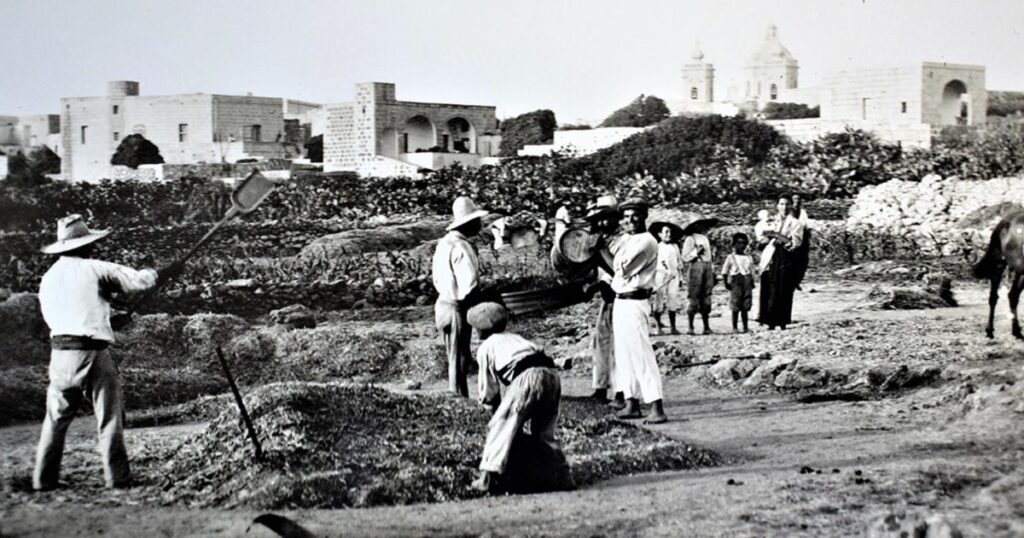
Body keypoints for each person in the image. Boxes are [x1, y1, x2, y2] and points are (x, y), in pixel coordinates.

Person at [33, 214, 182, 491]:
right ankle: (117, 478)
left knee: (55, 419)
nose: (94, 247)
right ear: (84, 246)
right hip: (91, 354)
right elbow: (138, 281)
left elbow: (69, 315)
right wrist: (165, 272)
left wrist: (110, 320)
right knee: (109, 418)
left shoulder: (49, 278)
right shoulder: (95, 268)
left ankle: (43, 479)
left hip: (59, 356)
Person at [468, 302, 562, 493]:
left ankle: (487, 479)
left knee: (500, 426)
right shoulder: (516, 338)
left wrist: (494, 411)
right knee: (544, 431)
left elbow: (489, 390)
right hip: (551, 375)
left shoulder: (486, 347)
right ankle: (560, 476)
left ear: (481, 329)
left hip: (528, 377)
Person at [608, 199, 667, 424]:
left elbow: (622, 270)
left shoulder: (648, 242)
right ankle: (631, 402)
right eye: (625, 216)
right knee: (624, 354)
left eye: (635, 215)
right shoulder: (625, 239)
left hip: (635, 302)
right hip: (621, 301)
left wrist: (598, 251)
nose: (629, 220)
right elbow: (612, 269)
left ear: (644, 217)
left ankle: (657, 406)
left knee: (641, 354)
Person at [432, 196, 488, 397]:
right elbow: (469, 285)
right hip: (456, 307)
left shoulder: (443, 243)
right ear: (468, 223)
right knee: (460, 358)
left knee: (454, 355)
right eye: (476, 221)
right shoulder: (462, 247)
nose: (480, 225)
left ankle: (458, 394)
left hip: (443, 304)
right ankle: (458, 397)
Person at [582, 195, 624, 407]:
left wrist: (600, 250)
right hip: (608, 298)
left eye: (606, 218)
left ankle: (620, 392)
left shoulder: (623, 240)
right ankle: (600, 389)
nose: (602, 223)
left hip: (622, 298)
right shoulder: (603, 239)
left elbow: (619, 271)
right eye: (599, 220)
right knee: (601, 343)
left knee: (618, 347)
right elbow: (595, 271)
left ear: (617, 218)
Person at [757, 195, 805, 330]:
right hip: (770, 254)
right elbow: (762, 236)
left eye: (787, 204)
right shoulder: (771, 221)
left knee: (783, 287)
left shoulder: (796, 223)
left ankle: (782, 320)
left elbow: (795, 242)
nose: (784, 207)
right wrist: (767, 238)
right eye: (782, 204)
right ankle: (768, 320)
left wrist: (778, 236)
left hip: (786, 257)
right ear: (777, 206)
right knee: (768, 285)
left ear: (791, 206)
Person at [648, 221, 683, 335]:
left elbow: (679, 263)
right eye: (666, 232)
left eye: (670, 232)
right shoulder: (657, 247)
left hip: (673, 275)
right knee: (659, 300)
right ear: (659, 234)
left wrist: (680, 277)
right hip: (661, 275)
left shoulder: (675, 246)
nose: (668, 234)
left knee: (672, 299)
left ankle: (673, 327)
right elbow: (654, 263)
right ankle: (659, 327)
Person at [681, 223, 715, 335]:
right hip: (696, 267)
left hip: (707, 267)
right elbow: (685, 257)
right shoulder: (690, 239)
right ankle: (690, 327)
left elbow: (709, 257)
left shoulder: (705, 238)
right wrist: (696, 252)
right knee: (694, 295)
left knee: (706, 296)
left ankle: (706, 327)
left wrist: (712, 271)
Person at [721, 233, 756, 333]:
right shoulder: (731, 257)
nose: (742, 246)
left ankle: (745, 327)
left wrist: (752, 281)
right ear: (734, 244)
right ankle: (735, 327)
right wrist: (726, 283)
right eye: (739, 243)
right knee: (735, 304)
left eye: (744, 243)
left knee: (746, 304)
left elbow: (751, 270)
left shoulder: (748, 257)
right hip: (736, 280)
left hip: (747, 280)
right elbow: (724, 271)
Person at [790, 194, 813, 290]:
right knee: (792, 261)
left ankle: (797, 282)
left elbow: (807, 225)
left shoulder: (803, 212)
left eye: (799, 199)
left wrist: (809, 232)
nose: (797, 201)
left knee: (803, 261)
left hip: (803, 238)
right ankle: (791, 282)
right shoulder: (789, 211)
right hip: (792, 238)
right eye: (795, 199)